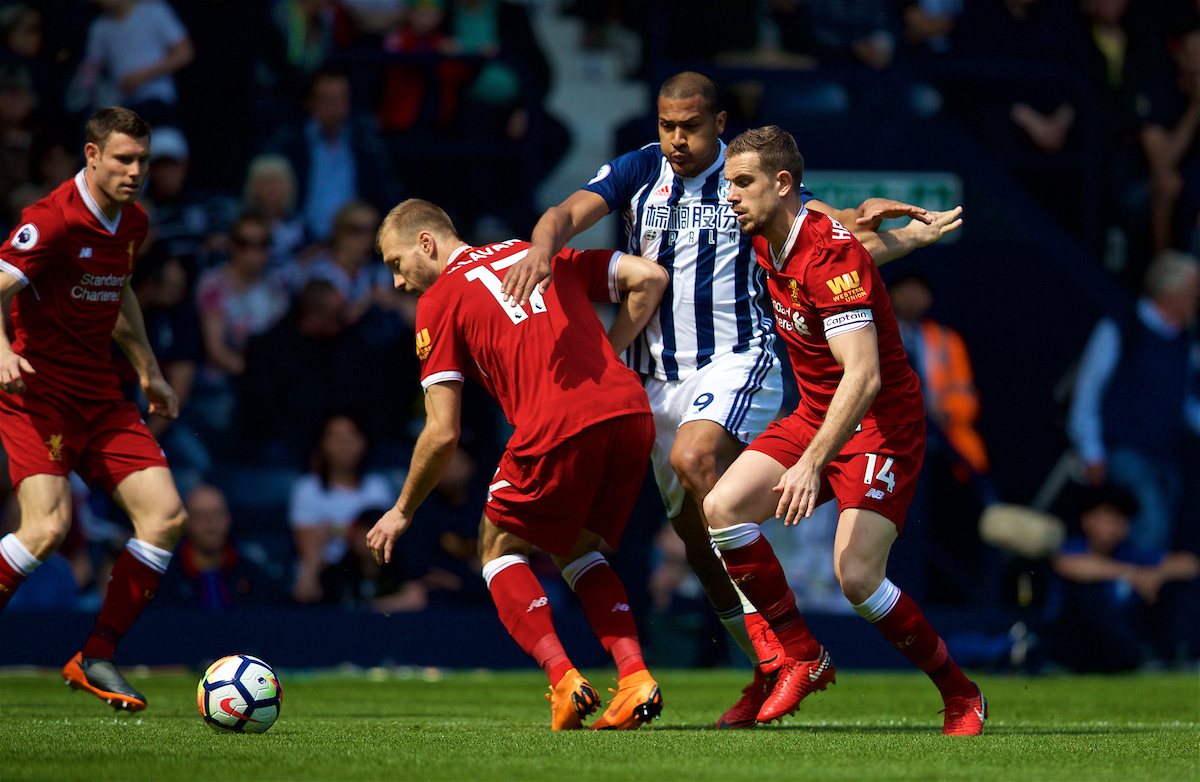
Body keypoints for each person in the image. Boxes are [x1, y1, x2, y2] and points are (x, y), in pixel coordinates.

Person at [500, 70, 963, 728]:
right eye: (667, 125)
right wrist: (543, 249)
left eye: (690, 125)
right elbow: (566, 214)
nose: (678, 138)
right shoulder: (641, 170)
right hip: (656, 377)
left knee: (705, 469)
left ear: (720, 123)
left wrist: (894, 232)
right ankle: (772, 661)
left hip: (738, 360)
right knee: (701, 531)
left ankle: (914, 680)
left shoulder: (748, 182)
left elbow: (832, 239)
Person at [702, 125, 986, 735]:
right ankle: (799, 655)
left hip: (879, 424)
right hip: (816, 411)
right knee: (722, 507)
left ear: (782, 185)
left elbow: (865, 375)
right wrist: (910, 237)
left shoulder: (824, 251)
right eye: (728, 184)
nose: (730, 196)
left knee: (857, 577)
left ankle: (961, 694)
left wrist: (809, 462)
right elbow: (863, 250)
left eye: (741, 183)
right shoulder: (773, 230)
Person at [366, 198, 668, 730]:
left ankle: (563, 680)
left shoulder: (440, 300)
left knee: (497, 546)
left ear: (427, 244)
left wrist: (402, 509)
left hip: (556, 425)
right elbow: (649, 277)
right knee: (578, 549)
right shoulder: (540, 253)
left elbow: (442, 432)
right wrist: (610, 360)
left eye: (396, 263)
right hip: (628, 412)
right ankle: (636, 676)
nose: (397, 281)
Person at [0, 107, 188, 711]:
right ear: (91, 155)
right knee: (46, 529)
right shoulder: (51, 222)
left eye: (143, 161)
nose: (136, 171)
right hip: (40, 396)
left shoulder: (133, 222)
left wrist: (148, 370)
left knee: (165, 516)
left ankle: (95, 655)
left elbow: (119, 289)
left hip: (101, 397)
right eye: (123, 160)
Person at [1066, 250, 1200, 552]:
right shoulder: (1123, 328)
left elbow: (1184, 402)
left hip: (1167, 456)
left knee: (1164, 534)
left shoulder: (1184, 342)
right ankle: (1124, 595)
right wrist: (1091, 452)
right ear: (1172, 292)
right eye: (1193, 292)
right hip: (1124, 452)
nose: (1196, 301)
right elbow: (1088, 391)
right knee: (1148, 525)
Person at [1048, 484, 1200, 671]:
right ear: (1086, 520)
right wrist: (1132, 573)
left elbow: (1190, 564)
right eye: (1108, 517)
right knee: (1086, 592)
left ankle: (1176, 653)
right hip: (1078, 642)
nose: (1115, 526)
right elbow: (1067, 566)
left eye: (1121, 519)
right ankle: (1136, 656)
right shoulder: (1074, 548)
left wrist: (1156, 575)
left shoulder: (1128, 552)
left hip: (1127, 633)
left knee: (1180, 588)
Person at [289, 413, 396, 604]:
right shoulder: (307, 489)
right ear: (322, 443)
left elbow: (386, 543)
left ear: (364, 442)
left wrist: (333, 531)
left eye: (351, 435)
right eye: (335, 437)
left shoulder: (378, 487)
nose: (344, 443)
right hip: (325, 578)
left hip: (372, 575)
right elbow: (307, 548)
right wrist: (358, 534)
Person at [155, 483, 282, 610]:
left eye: (217, 514)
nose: (210, 525)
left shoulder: (251, 574)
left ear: (229, 518)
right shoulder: (165, 579)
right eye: (200, 516)